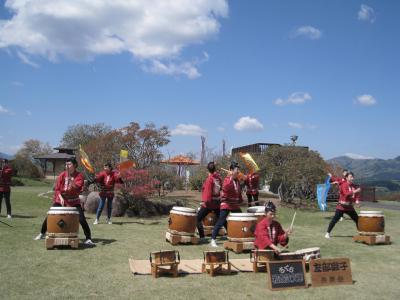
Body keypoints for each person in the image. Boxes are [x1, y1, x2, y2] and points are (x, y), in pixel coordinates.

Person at [34, 158, 95, 246]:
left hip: (74, 201)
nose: (67, 166)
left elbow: (77, 189)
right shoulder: (62, 175)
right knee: (50, 215)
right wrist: (60, 197)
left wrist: (71, 181)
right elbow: (57, 189)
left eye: (69, 164)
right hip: (61, 200)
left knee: (81, 219)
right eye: (66, 164)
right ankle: (42, 233)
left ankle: (88, 238)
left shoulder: (79, 176)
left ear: (74, 165)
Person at [210, 161, 243, 247]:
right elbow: (225, 189)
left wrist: (240, 200)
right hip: (226, 204)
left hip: (234, 204)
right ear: (231, 170)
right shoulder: (227, 180)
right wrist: (231, 177)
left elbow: (238, 193)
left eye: (238, 171)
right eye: (237, 170)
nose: (238, 172)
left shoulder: (237, 181)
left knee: (241, 220)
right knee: (221, 221)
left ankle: (240, 236)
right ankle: (213, 239)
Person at [325, 172, 361, 239]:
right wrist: (355, 191)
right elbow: (346, 194)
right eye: (351, 177)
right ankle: (327, 233)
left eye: (353, 177)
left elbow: (357, 196)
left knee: (357, 219)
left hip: (350, 207)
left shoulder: (354, 186)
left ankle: (361, 233)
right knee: (335, 219)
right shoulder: (343, 185)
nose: (352, 178)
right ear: (346, 178)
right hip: (341, 206)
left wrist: (357, 202)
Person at [196, 161, 222, 241]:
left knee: (197, 219)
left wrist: (204, 201)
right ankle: (232, 234)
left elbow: (208, 192)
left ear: (208, 170)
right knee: (222, 219)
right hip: (217, 203)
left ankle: (202, 236)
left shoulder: (210, 179)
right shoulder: (218, 178)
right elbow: (221, 189)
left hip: (209, 204)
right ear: (215, 169)